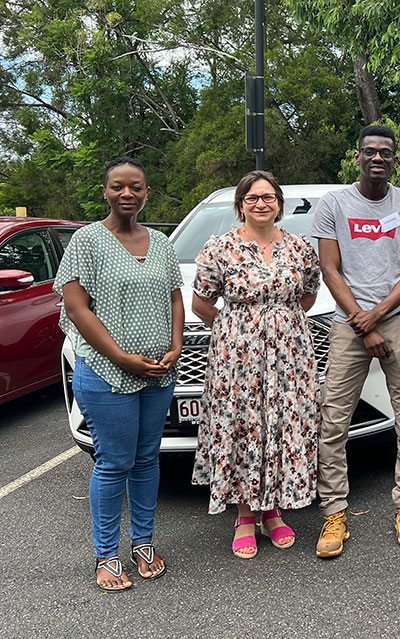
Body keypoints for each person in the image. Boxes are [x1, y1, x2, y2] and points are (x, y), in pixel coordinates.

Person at [55, 157, 183, 592]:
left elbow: (175, 300)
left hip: (157, 374)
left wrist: (176, 346)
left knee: (147, 459)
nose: (127, 194)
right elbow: (77, 308)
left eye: (136, 187)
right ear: (105, 191)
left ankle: (143, 543)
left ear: (147, 192)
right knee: (113, 463)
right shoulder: (87, 242)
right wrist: (122, 357)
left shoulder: (162, 243)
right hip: (107, 372)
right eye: (118, 187)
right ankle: (106, 555)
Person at [311, 124, 400, 556]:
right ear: (358, 157)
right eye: (370, 152)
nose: (377, 158)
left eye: (386, 152)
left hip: (397, 321)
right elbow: (330, 269)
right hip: (349, 325)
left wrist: (377, 317)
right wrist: (361, 324)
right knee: (332, 422)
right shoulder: (334, 204)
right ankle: (333, 514)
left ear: (395, 160)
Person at [190, 170, 321, 559]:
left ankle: (272, 510)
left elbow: (309, 295)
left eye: (268, 197)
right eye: (252, 198)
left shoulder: (299, 247)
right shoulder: (220, 248)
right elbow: (201, 304)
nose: (260, 203)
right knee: (245, 428)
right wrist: (238, 331)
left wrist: (279, 324)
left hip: (289, 358)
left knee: (280, 426)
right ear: (241, 204)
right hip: (237, 360)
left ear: (279, 204)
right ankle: (245, 514)